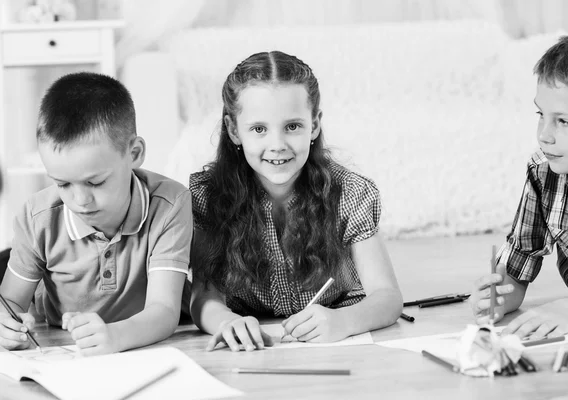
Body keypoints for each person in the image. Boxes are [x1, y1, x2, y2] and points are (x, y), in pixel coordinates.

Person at [189, 51, 403, 352]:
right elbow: (203, 294)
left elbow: (388, 297)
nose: (277, 145)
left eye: (292, 126)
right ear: (234, 130)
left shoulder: (350, 193)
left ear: (314, 125)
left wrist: (343, 321)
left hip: (331, 347)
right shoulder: (207, 196)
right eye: (259, 129)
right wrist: (226, 322)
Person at [0, 72, 192, 356]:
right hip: (63, 347)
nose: (80, 201)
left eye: (95, 182)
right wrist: (7, 326)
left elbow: (163, 310)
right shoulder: (37, 216)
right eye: (62, 184)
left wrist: (114, 336)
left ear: (135, 153)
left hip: (140, 344)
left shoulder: (170, 203)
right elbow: (10, 302)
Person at [470, 30, 568, 340]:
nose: (544, 134)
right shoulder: (543, 171)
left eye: (564, 121)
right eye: (541, 115)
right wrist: (499, 293)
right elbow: (517, 266)